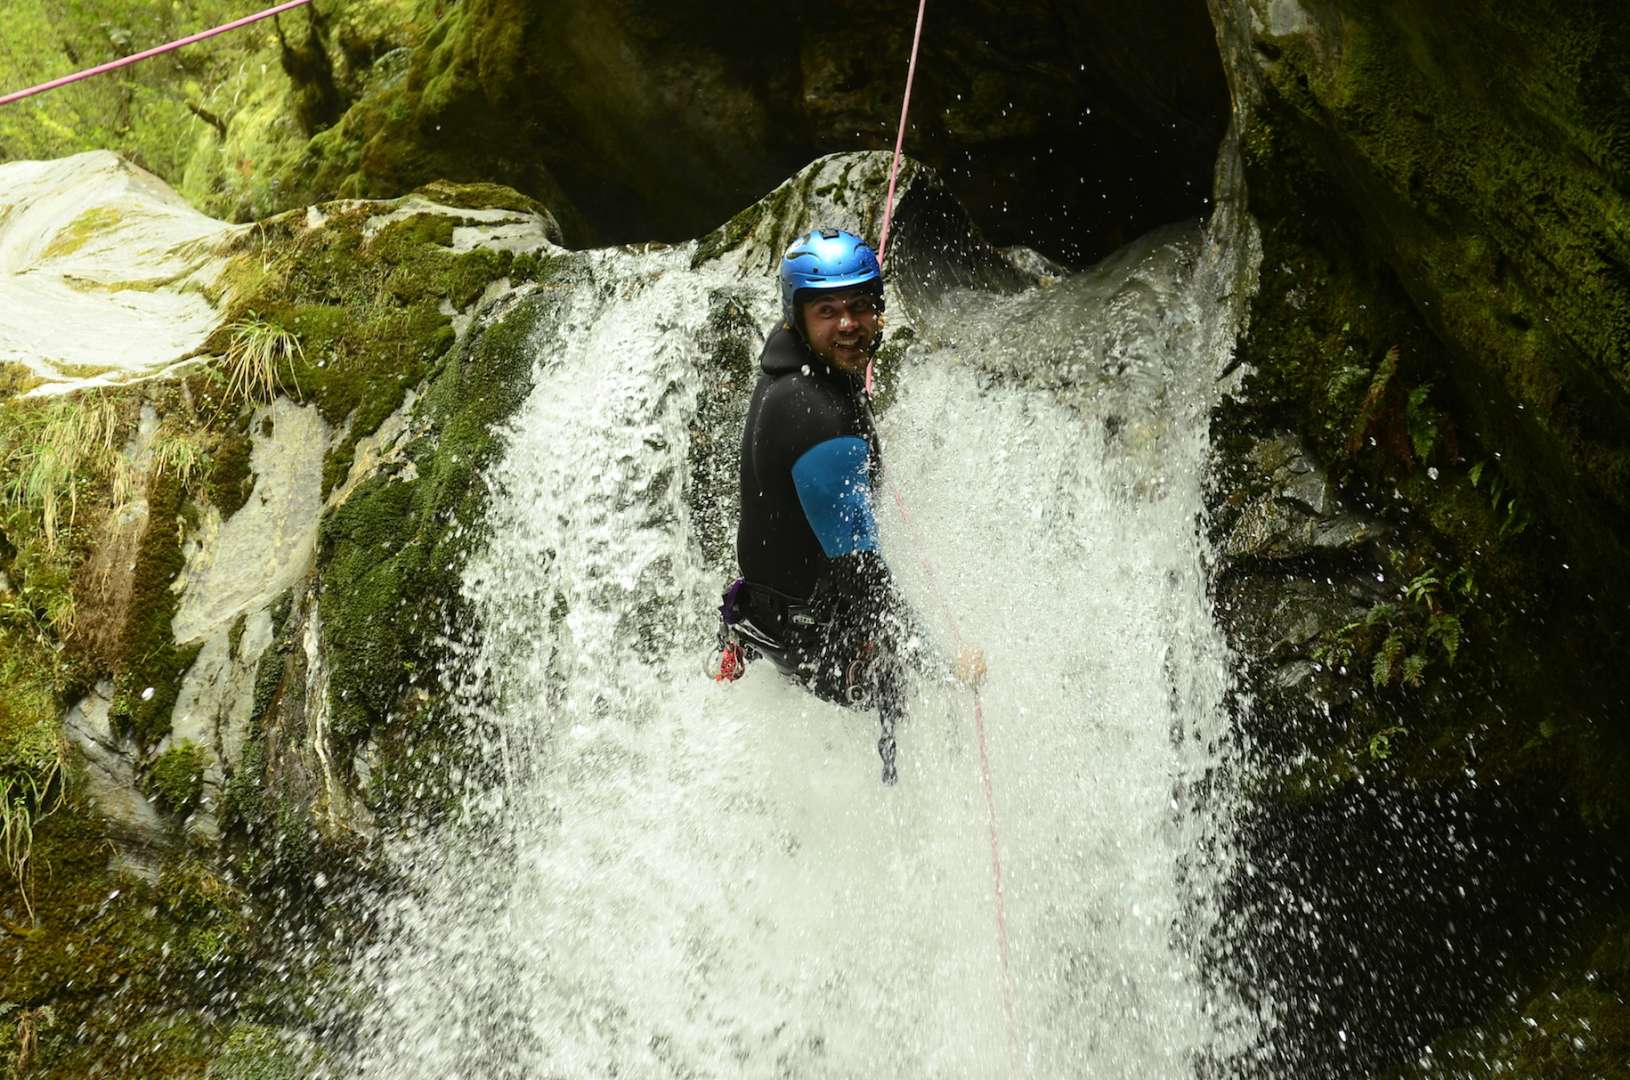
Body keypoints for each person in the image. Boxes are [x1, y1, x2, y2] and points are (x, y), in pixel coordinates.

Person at [715, 226, 983, 785]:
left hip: (770, 612)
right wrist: (939, 666)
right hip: (810, 639)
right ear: (797, 316)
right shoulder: (816, 421)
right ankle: (902, 818)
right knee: (912, 697)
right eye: (828, 310)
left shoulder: (795, 367)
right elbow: (861, 574)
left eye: (862, 306)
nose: (848, 324)